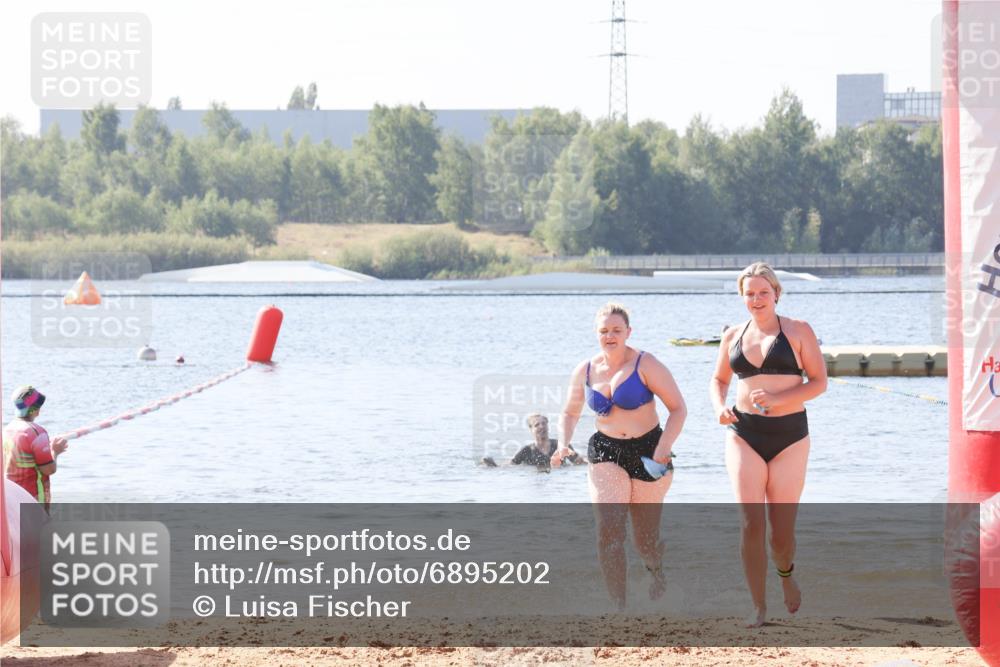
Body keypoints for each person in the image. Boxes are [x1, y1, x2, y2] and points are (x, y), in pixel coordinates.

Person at [709, 262, 827, 628]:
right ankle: (758, 606)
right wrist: (719, 408)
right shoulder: (732, 335)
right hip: (744, 434)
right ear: (742, 297)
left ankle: (787, 576)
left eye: (763, 292)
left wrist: (780, 400)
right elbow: (718, 379)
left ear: (776, 292)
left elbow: (819, 382)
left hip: (790, 436)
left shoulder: (798, 331)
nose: (757, 299)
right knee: (750, 523)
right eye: (750, 293)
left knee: (781, 534)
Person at [553, 303, 687, 609]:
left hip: (650, 451)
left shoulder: (646, 363)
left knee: (644, 541)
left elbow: (678, 409)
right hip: (605, 450)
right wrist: (564, 443)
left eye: (616, 330)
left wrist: (663, 451)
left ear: (628, 332)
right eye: (604, 331)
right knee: (609, 532)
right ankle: (619, 608)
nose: (610, 336)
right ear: (596, 333)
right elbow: (569, 412)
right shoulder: (585, 369)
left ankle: (656, 572)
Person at [3, 386, 68, 512]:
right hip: (32, 499)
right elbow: (49, 469)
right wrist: (55, 451)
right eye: (38, 406)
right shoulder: (37, 432)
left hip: (10, 498)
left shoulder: (6, 430)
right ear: (34, 411)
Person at [483, 414, 585, 469]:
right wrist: (493, 465)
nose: (541, 426)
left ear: (548, 426)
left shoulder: (561, 446)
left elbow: (580, 463)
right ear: (531, 429)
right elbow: (511, 465)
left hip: (558, 485)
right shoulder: (526, 450)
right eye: (537, 425)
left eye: (544, 423)